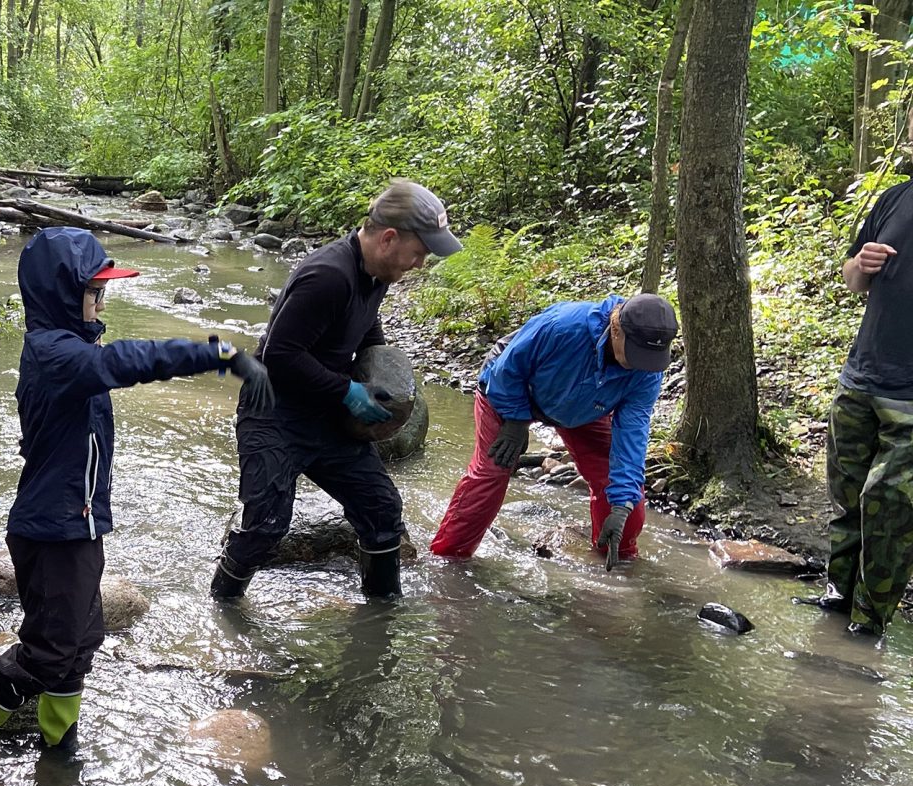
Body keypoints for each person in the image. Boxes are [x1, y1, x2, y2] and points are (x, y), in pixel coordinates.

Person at [0, 226, 272, 786]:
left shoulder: (68, 352)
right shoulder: (57, 354)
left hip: (79, 525)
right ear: (62, 294)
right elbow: (130, 361)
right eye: (93, 291)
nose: (101, 302)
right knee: (50, 649)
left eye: (102, 292)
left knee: (82, 638)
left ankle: (57, 736)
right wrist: (215, 353)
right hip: (51, 530)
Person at [209, 180, 461, 600]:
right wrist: (348, 392)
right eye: (420, 252)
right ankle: (224, 606)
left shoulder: (377, 274)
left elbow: (364, 328)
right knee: (266, 525)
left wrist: (385, 374)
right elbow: (280, 356)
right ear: (389, 238)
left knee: (381, 509)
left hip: (326, 417)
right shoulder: (327, 275)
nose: (420, 264)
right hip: (274, 415)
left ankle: (382, 612)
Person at [429, 293, 678, 567]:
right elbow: (507, 369)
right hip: (510, 391)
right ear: (616, 329)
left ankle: (618, 560)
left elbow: (632, 434)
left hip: (585, 407)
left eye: (648, 358)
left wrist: (622, 504)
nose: (640, 365)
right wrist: (515, 420)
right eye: (635, 355)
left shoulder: (648, 370)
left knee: (622, 490)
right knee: (493, 471)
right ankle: (449, 559)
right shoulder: (563, 326)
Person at [795, 183, 913, 637]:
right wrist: (860, 266)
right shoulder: (897, 197)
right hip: (861, 378)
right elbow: (852, 276)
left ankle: (868, 625)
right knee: (847, 500)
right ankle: (838, 598)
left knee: (890, 511)